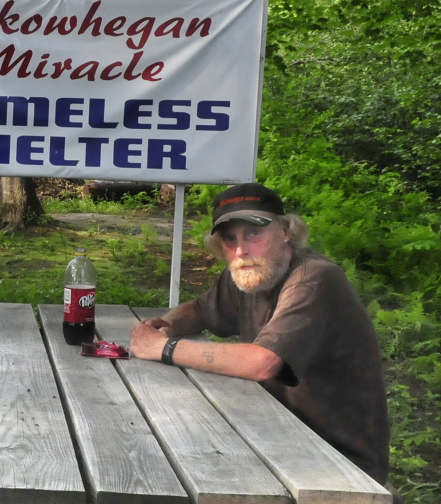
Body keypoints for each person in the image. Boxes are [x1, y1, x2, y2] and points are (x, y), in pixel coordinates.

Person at [128, 183, 391, 485]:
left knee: (184, 460)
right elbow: (200, 311)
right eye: (230, 238)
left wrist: (165, 347)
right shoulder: (249, 271)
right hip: (279, 433)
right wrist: (166, 324)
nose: (241, 250)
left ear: (285, 232)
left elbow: (263, 363)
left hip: (336, 461)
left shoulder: (313, 278)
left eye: (254, 233)